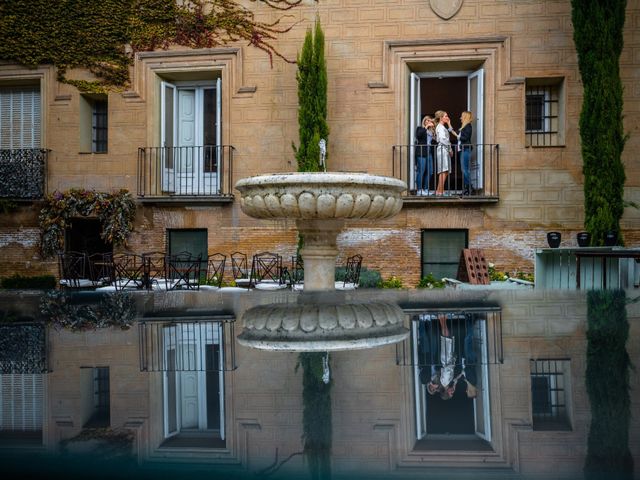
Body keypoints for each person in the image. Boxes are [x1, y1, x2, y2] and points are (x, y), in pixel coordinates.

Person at [414, 115, 435, 195]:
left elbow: (435, 141)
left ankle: (425, 189)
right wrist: (426, 127)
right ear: (424, 121)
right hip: (422, 151)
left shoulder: (431, 131)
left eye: (430, 120)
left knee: (430, 171)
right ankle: (419, 190)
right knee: (421, 171)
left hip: (429, 152)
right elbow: (418, 136)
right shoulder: (420, 128)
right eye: (427, 120)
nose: (428, 121)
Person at [434, 110, 453, 196]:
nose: (447, 117)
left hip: (443, 149)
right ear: (441, 118)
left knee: (444, 171)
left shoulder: (441, 126)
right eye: (446, 116)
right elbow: (443, 139)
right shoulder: (440, 127)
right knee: (443, 170)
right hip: (443, 149)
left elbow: (450, 132)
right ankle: (440, 191)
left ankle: (439, 191)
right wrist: (450, 149)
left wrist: (449, 123)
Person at [457, 111, 473, 196]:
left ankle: (469, 188)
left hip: (466, 149)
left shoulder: (468, 126)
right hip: (463, 150)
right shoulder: (465, 127)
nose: (460, 118)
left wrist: (459, 137)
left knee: (465, 170)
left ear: (465, 117)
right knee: (464, 170)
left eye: (462, 116)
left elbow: (465, 137)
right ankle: (467, 188)